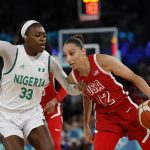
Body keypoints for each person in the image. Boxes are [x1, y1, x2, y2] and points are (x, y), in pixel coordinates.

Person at [0, 20, 80, 150]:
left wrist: (82, 86)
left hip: (32, 112)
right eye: (37, 35)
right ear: (25, 36)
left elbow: (69, 88)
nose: (42, 39)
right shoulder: (12, 52)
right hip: (6, 114)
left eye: (44, 35)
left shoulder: (49, 60)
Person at [62, 34, 150, 150]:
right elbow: (86, 97)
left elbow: (135, 78)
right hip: (106, 117)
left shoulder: (102, 61)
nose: (68, 59)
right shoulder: (73, 78)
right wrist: (85, 124)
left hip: (127, 108)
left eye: (72, 53)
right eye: (65, 55)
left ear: (83, 51)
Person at [41, 72, 67, 150]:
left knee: (54, 144)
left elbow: (66, 87)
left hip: (52, 111)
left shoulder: (52, 67)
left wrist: (54, 100)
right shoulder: (25, 68)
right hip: (33, 111)